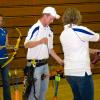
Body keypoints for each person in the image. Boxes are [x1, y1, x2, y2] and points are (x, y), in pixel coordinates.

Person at [60, 8, 100, 100]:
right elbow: (97, 37)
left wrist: (92, 50)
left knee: (77, 98)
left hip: (69, 73)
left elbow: (76, 47)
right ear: (77, 17)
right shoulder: (79, 30)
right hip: (81, 73)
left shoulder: (63, 33)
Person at [24, 7, 63, 100]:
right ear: (45, 16)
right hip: (34, 65)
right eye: (51, 18)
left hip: (45, 65)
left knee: (43, 92)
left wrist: (60, 61)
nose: (52, 21)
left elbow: (50, 49)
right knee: (33, 94)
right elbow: (26, 44)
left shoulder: (50, 30)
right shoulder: (35, 28)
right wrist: (40, 41)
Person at [0, 14, 11, 100]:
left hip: (5, 60)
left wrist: (13, 47)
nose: (0, 22)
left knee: (6, 82)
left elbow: (6, 45)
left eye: (1, 20)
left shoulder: (5, 31)